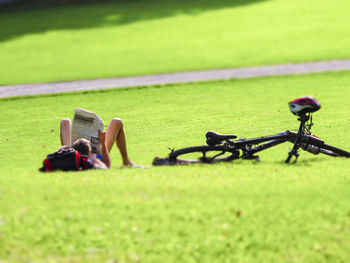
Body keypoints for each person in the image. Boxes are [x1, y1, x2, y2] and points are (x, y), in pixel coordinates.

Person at [60, 117, 136, 168]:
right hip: (76, 156)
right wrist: (102, 143)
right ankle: (67, 158)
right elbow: (107, 165)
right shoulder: (95, 164)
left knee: (117, 121)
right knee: (65, 121)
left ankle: (126, 162)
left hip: (93, 152)